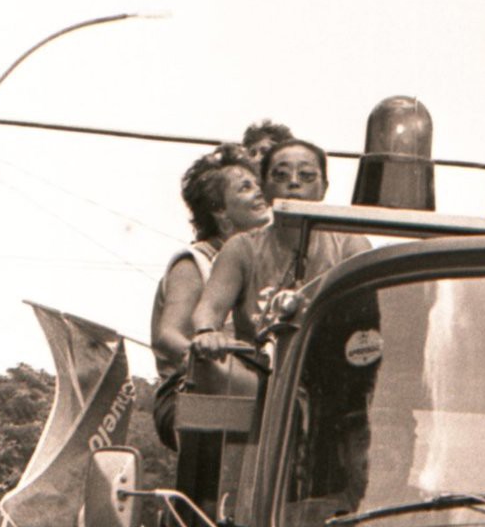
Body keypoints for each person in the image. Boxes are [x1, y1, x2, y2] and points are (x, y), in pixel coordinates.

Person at [192, 137, 369, 354]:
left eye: (306, 175)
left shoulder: (351, 245)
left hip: (332, 372)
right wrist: (207, 332)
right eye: (281, 175)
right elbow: (209, 308)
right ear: (264, 189)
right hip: (258, 375)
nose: (294, 182)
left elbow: (369, 316)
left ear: (324, 187)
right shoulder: (240, 248)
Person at [151, 143, 272, 446]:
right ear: (220, 211)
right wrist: (206, 351)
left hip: (245, 387)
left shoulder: (262, 262)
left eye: (258, 184)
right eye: (245, 188)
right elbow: (168, 335)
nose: (259, 192)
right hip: (190, 391)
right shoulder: (195, 262)